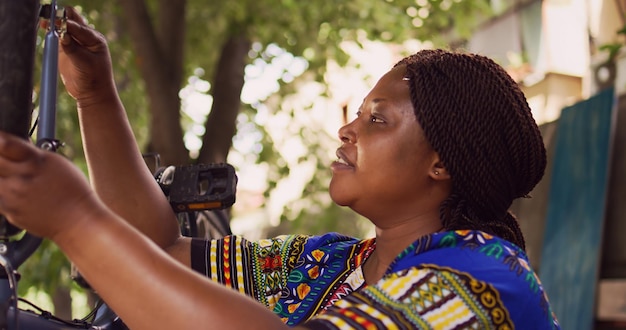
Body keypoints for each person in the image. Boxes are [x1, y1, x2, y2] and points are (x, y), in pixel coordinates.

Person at [0, 6, 560, 330]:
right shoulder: (324, 264)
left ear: (442, 161)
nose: (347, 130)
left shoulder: (481, 282)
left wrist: (76, 219)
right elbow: (160, 252)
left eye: (378, 121)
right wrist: (95, 96)